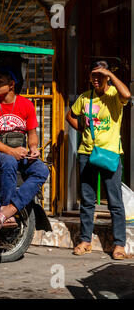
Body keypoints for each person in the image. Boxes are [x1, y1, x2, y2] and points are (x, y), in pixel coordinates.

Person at [66, 60, 131, 260]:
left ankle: (119, 245)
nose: (96, 79)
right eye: (93, 75)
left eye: (100, 76)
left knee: (115, 202)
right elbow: (70, 116)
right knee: (87, 200)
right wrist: (82, 126)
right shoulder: (85, 98)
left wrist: (109, 75)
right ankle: (85, 240)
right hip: (87, 153)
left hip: (110, 154)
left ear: (107, 76)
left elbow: (127, 95)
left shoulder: (114, 95)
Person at [0, 67, 49, 231]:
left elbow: (32, 133)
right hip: (0, 152)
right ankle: (4, 204)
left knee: (42, 170)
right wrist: (10, 151)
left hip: (21, 152)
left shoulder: (25, 104)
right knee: (8, 161)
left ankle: (9, 210)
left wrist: (34, 148)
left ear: (11, 84)